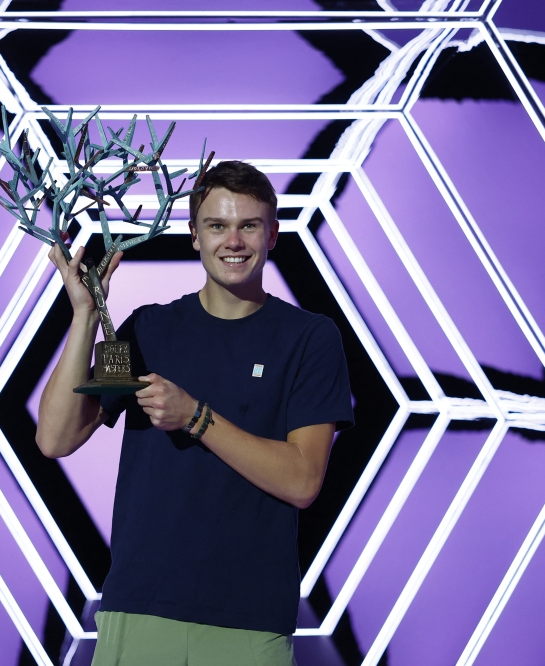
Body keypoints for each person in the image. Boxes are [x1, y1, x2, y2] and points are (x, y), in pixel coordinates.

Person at [35, 161, 354, 666]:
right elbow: (55, 438)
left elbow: (303, 480)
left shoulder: (309, 339)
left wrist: (195, 416)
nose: (234, 240)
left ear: (272, 235)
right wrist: (84, 316)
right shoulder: (146, 330)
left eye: (248, 225)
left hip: (248, 622)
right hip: (139, 612)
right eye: (217, 225)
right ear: (193, 236)